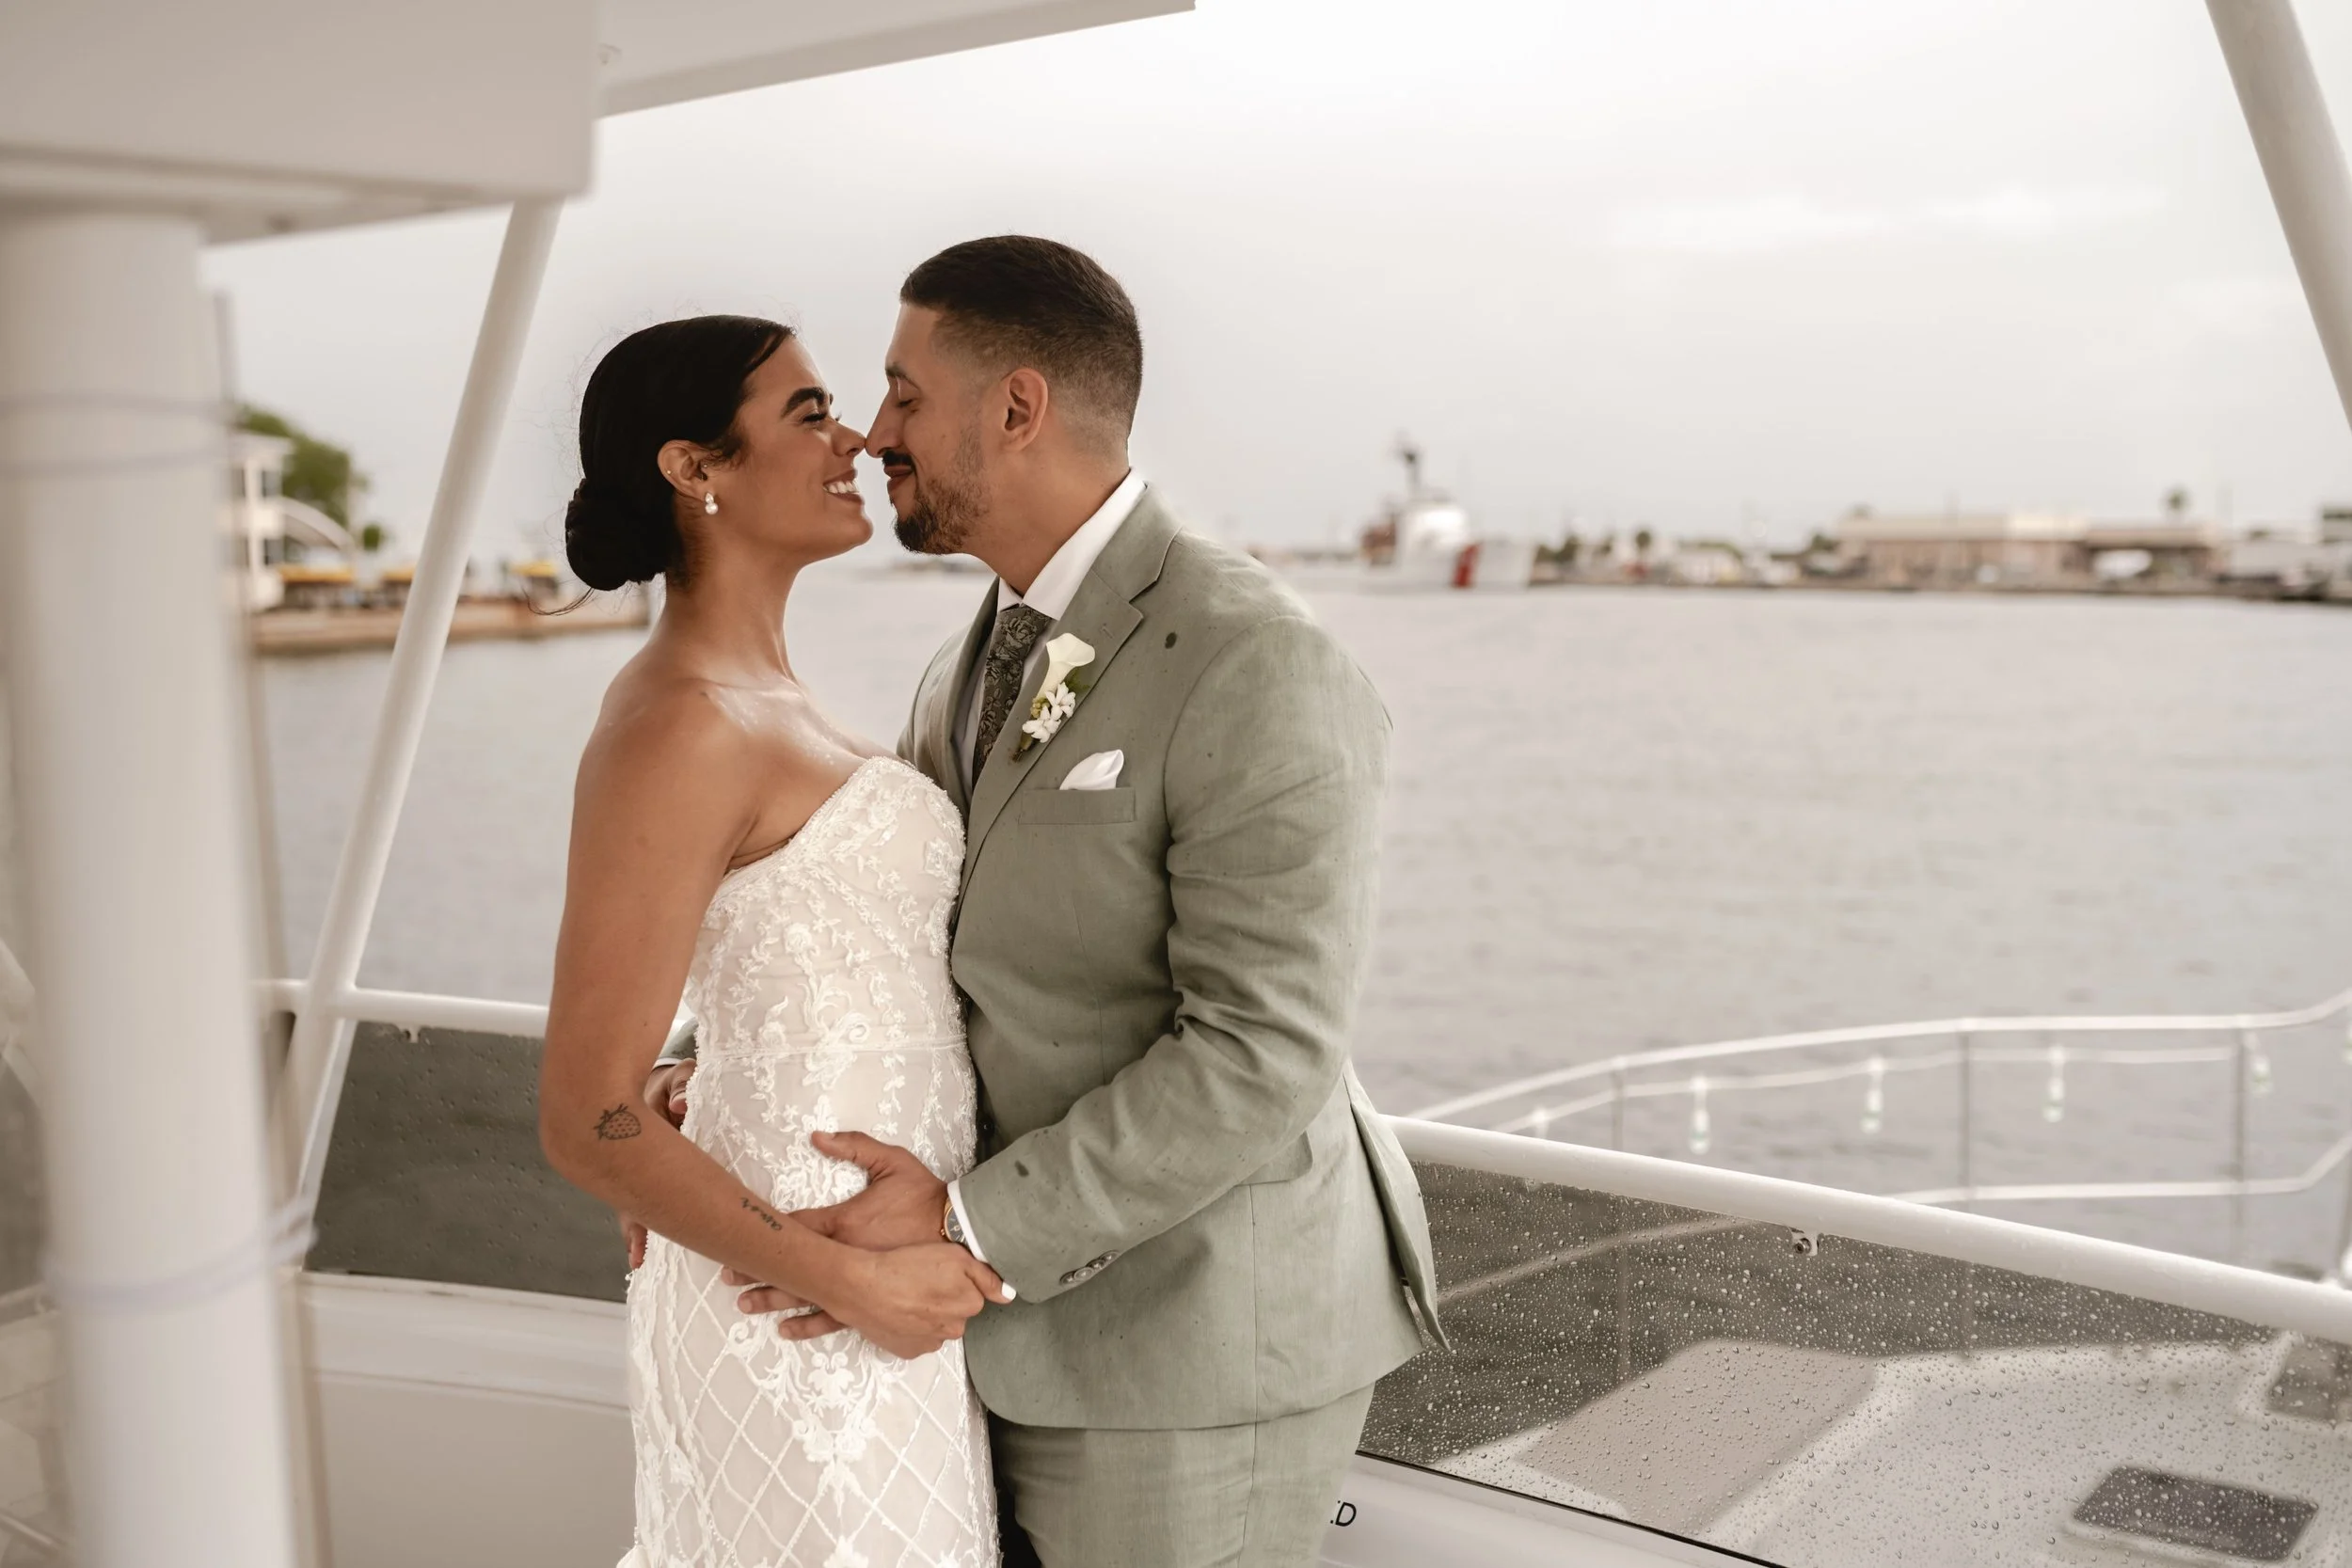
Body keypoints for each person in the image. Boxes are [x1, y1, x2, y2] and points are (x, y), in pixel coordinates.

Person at [651, 237, 1444, 1568]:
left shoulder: (1256, 662)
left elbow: (1264, 1052)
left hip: (1190, 1358)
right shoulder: (968, 661)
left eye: (904, 395)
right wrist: (698, 1062)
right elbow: (867, 912)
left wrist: (968, 1226)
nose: (873, 430)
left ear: (1015, 409)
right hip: (981, 1331)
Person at [537, 315, 1010, 1568]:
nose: (853, 437)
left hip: (870, 1287)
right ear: (697, 468)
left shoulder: (770, 702)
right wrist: (847, 1283)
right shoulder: (681, 722)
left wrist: (709, 1053)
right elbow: (583, 1110)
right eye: (809, 414)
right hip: (800, 1306)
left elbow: (777, 946)